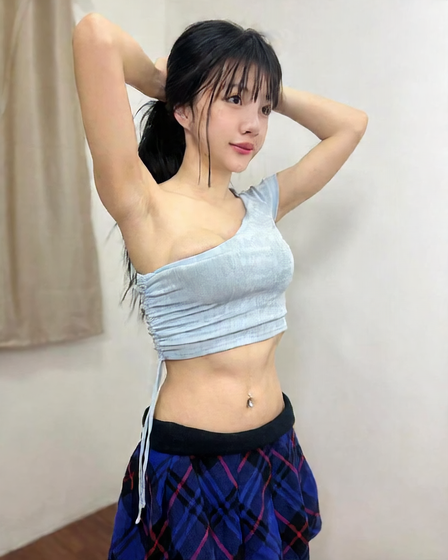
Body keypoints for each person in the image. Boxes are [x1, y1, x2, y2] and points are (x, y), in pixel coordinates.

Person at [73, 13, 367, 560]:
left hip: (274, 443)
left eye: (263, 109)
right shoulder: (143, 204)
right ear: (182, 109)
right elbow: (95, 34)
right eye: (233, 100)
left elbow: (351, 125)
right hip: (194, 459)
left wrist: (262, 88)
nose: (253, 124)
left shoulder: (261, 205)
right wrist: (172, 82)